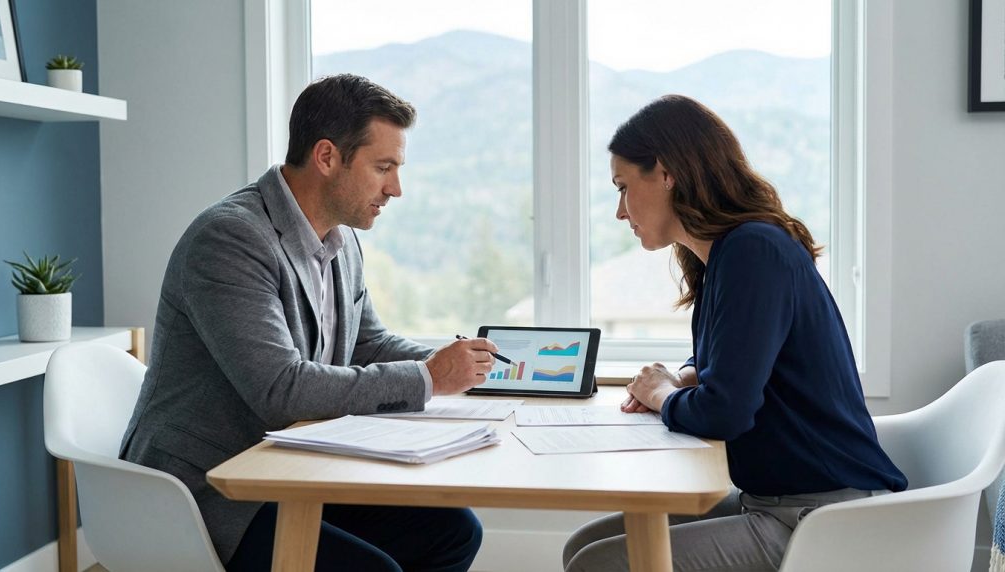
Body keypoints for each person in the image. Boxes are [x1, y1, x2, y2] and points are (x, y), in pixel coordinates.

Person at [120, 74, 497, 572]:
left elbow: (367, 343)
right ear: (326, 157)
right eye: (383, 167)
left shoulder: (341, 241)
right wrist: (430, 378)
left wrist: (453, 366)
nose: (396, 188)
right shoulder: (230, 239)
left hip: (290, 469)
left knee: (451, 531)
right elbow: (282, 388)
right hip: (209, 487)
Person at [563, 95, 907, 572]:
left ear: (665, 173)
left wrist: (662, 393)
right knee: (586, 546)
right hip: (777, 503)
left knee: (598, 564)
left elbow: (723, 414)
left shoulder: (753, 251)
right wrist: (684, 377)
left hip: (817, 520)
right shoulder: (730, 252)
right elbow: (731, 352)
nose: (620, 211)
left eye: (622, 187)